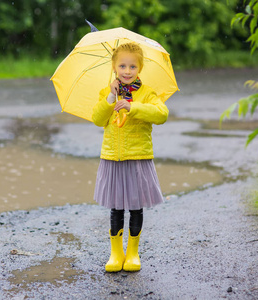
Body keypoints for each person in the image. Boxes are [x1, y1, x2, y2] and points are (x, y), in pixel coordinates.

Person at [92, 42, 169, 272]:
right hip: (113, 158)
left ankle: (133, 253)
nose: (127, 71)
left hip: (137, 157)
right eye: (122, 66)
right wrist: (110, 98)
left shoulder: (146, 93)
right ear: (114, 68)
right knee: (116, 207)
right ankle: (116, 253)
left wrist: (133, 107)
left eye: (132, 66)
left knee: (136, 206)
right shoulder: (108, 93)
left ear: (140, 68)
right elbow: (97, 118)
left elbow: (161, 114)